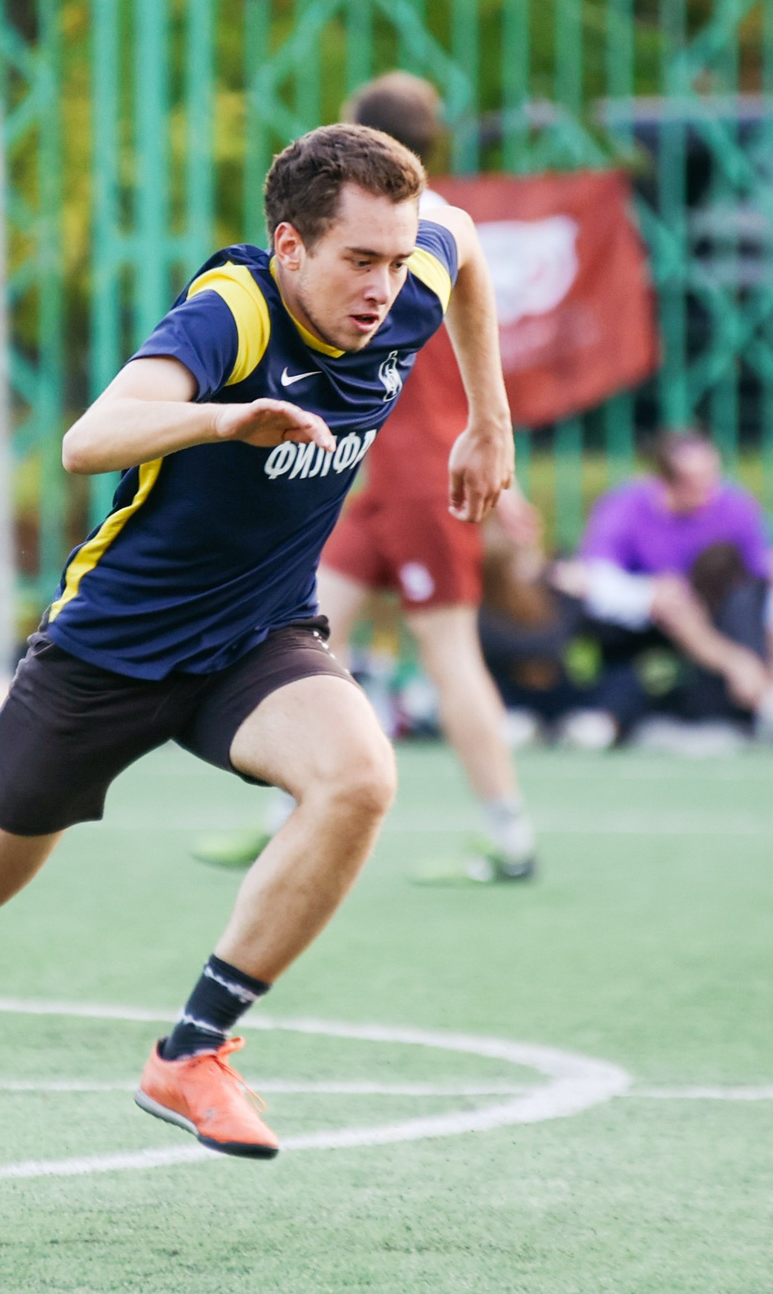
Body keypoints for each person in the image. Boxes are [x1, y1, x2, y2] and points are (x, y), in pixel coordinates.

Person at [0, 122, 513, 1214]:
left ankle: (193, 1051)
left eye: (394, 259)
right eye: (358, 260)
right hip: (108, 653)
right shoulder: (233, 312)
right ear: (289, 247)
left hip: (254, 637)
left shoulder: (416, 270)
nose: (382, 285)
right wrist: (225, 421)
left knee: (359, 777)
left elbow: (464, 252)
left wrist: (486, 422)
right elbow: (89, 438)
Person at [199, 72, 536, 885]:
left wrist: (494, 445)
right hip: (370, 483)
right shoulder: (369, 231)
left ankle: (510, 833)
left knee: (449, 653)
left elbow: (465, 363)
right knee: (303, 635)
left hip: (423, 480)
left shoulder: (422, 238)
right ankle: (289, 812)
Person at [563, 430, 773, 748]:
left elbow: (763, 570)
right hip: (648, 619)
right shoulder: (626, 506)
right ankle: (752, 682)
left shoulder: (735, 506)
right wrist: (648, 590)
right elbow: (592, 575)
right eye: (695, 480)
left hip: (723, 614)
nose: (708, 488)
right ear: (667, 480)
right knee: (674, 600)